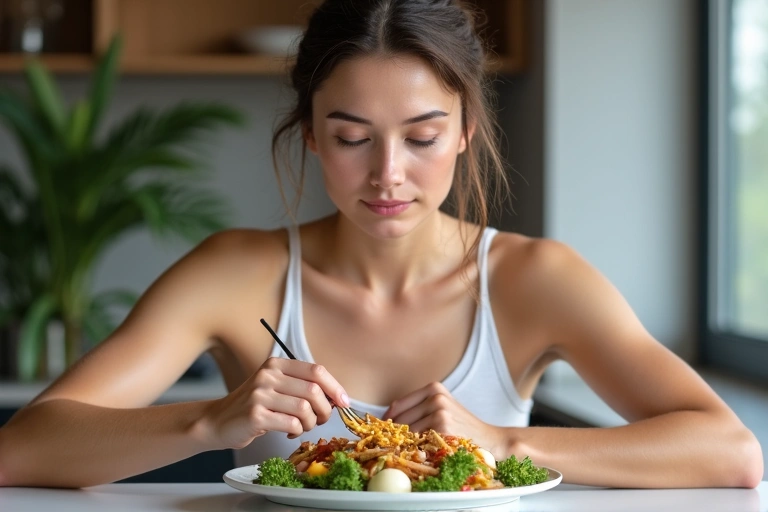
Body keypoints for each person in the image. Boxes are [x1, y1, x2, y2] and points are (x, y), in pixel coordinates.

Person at [0, 0, 762, 489]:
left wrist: (502, 441)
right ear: (311, 137)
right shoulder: (235, 273)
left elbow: (730, 452)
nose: (388, 175)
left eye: (422, 136)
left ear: (465, 130)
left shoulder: (535, 279)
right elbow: (21, 450)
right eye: (351, 137)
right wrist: (210, 422)